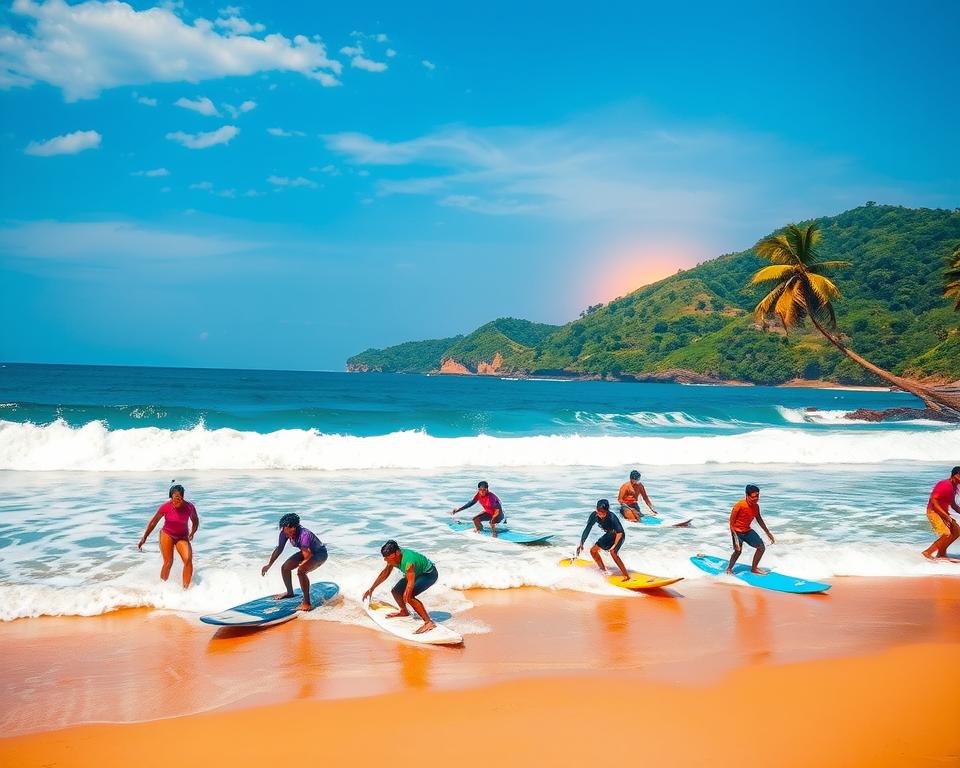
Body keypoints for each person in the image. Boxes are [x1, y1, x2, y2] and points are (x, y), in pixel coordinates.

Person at [362, 540, 438, 634]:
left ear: (397, 552)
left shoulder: (408, 562)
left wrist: (407, 594)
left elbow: (410, 582)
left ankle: (428, 622)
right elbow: (385, 573)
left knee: (409, 596)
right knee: (396, 591)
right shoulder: (391, 558)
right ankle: (404, 611)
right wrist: (371, 589)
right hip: (414, 573)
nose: (386, 560)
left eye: (389, 557)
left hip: (428, 574)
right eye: (385, 558)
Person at [261, 513, 329, 611]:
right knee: (285, 567)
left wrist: (303, 564)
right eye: (283, 528)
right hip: (306, 552)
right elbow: (279, 549)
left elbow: (308, 555)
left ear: (294, 527)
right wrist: (269, 565)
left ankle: (307, 603)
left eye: (287, 528)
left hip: (319, 554)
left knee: (301, 571)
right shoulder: (284, 533)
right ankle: (289, 593)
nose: (284, 530)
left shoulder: (304, 534)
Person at [138, 483, 199, 588]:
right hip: (167, 534)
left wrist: (192, 532)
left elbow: (195, 520)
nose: (176, 501)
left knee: (188, 559)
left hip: (182, 536)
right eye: (174, 499)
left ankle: (185, 590)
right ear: (171, 498)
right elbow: (154, 522)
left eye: (179, 498)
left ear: (183, 497)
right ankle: (162, 589)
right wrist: (144, 537)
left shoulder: (189, 507)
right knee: (168, 562)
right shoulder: (166, 507)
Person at [576, 499, 630, 580]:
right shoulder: (594, 515)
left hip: (619, 535)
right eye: (598, 511)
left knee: (613, 552)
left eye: (602, 512)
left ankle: (626, 576)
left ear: (607, 511)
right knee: (593, 551)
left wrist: (614, 545)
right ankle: (604, 570)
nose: (600, 513)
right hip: (609, 535)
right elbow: (588, 528)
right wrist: (582, 543)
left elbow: (619, 532)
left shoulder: (612, 517)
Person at [726, 484, 775, 575]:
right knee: (738, 551)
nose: (756, 498)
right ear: (747, 496)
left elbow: (759, 519)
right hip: (737, 532)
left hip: (747, 531)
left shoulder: (756, 506)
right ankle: (729, 569)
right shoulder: (739, 505)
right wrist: (735, 538)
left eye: (757, 496)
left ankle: (754, 568)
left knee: (761, 547)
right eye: (753, 497)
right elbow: (731, 523)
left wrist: (768, 533)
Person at [921, 466, 960, 562]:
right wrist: (946, 517)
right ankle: (927, 552)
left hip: (943, 513)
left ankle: (941, 553)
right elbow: (934, 501)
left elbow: (953, 504)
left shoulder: (954, 487)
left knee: (957, 531)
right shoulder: (944, 484)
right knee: (947, 534)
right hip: (934, 512)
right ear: (956, 475)